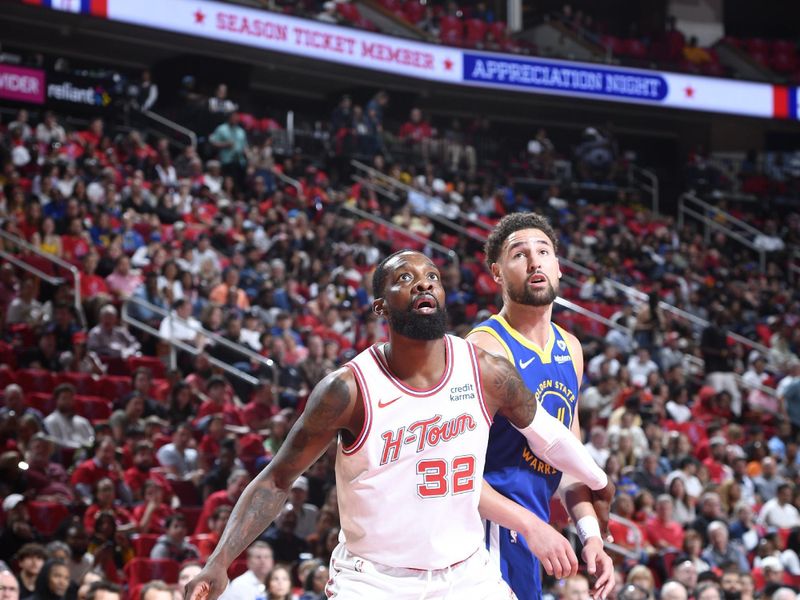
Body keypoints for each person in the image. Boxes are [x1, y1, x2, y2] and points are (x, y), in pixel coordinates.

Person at [185, 249, 613, 600]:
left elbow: (550, 435)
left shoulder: (485, 371)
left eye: (432, 276)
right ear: (380, 306)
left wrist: (597, 479)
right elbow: (277, 480)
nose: (424, 282)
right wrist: (220, 561)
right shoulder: (347, 390)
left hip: (465, 574)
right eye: (405, 278)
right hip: (374, 580)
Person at [467, 213, 614, 599]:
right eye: (519, 254)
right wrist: (530, 526)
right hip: (480, 534)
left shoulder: (572, 349)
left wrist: (591, 536)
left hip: (530, 535)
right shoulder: (485, 348)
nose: (534, 261)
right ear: (497, 273)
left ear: (559, 268)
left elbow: (569, 461)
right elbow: (455, 471)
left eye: (543, 251)